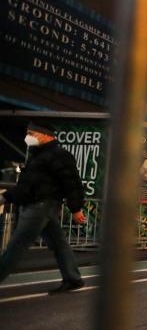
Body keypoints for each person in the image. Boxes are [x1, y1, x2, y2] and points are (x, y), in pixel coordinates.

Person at [0, 123, 87, 293]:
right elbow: (27, 185)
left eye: (31, 133)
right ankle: (72, 278)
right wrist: (7, 197)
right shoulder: (37, 155)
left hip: (39, 206)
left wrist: (75, 208)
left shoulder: (58, 155)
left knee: (17, 245)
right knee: (59, 243)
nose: (28, 137)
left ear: (46, 135)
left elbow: (72, 183)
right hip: (41, 206)